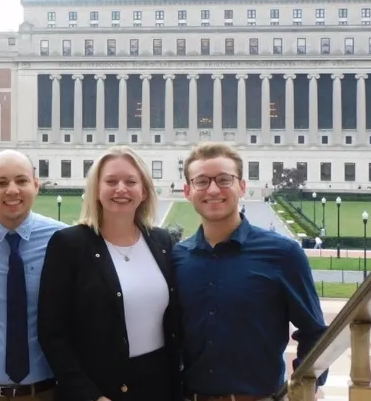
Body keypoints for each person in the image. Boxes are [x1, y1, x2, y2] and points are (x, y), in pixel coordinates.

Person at [173, 142, 327, 400]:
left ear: (242, 187)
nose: (212, 189)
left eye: (224, 179)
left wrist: (303, 387)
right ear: (187, 191)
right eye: (201, 181)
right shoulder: (178, 257)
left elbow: (314, 333)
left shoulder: (283, 254)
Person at [39, 146, 182, 401]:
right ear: (96, 190)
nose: (121, 189)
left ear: (144, 190)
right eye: (111, 181)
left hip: (158, 384)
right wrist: (90, 395)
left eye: (130, 181)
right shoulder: (69, 244)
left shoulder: (161, 242)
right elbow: (52, 333)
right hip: (97, 387)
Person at [0, 149, 65, 400]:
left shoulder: (63, 241)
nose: (12, 190)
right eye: (1, 182)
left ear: (36, 185)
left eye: (21, 181)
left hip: (47, 392)